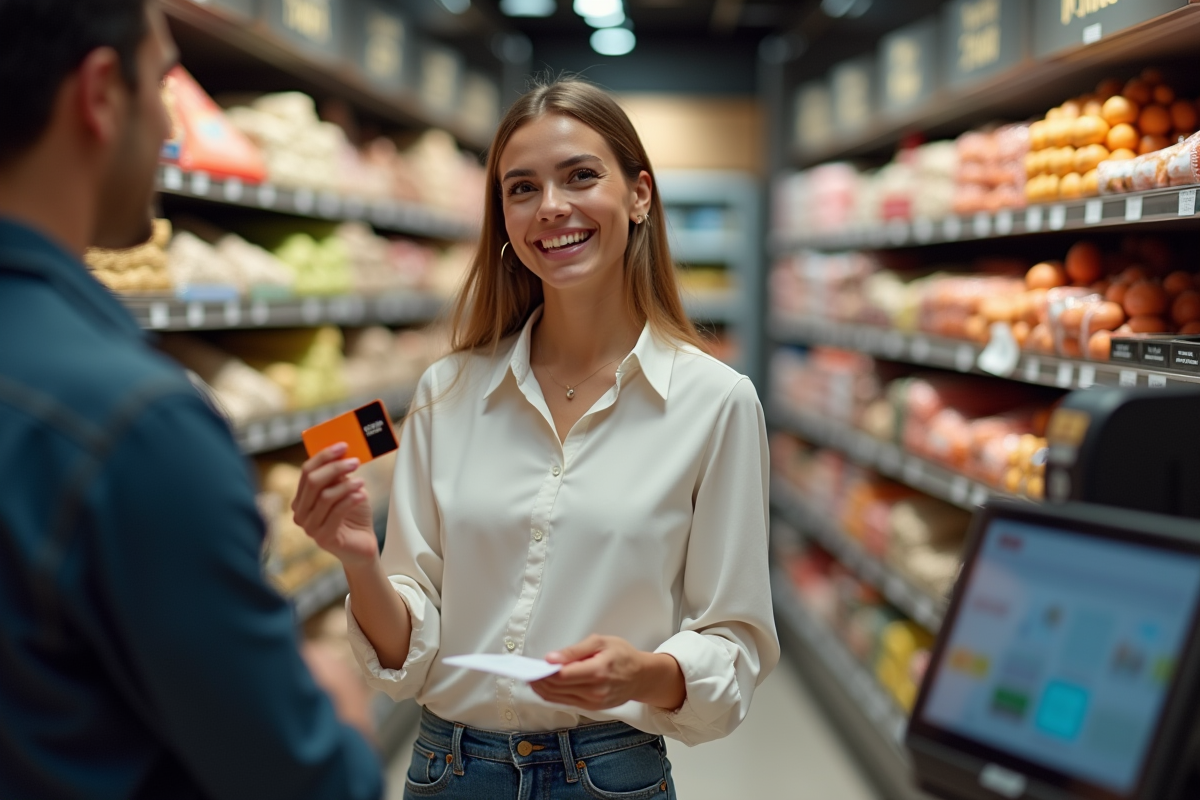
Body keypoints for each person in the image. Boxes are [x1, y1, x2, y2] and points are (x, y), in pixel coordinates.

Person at [294, 77, 779, 799]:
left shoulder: (715, 404)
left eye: (581, 176)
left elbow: (734, 641)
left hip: (611, 774)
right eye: (522, 189)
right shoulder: (449, 392)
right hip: (449, 770)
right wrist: (359, 563)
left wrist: (642, 671)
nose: (551, 208)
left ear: (639, 194)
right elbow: (406, 656)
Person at [0, 2, 383, 798]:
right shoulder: (140, 426)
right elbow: (299, 778)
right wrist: (341, 710)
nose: (173, 118)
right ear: (102, 93)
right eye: (165, 80)